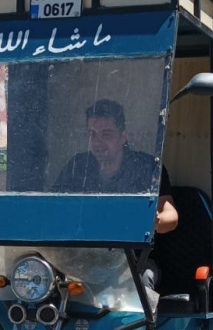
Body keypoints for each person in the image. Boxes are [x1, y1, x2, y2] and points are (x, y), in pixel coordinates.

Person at [53, 99, 178, 287]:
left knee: (142, 282)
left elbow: (172, 216)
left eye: (106, 134)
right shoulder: (77, 166)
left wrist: (154, 220)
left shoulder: (148, 167)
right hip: (83, 258)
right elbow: (54, 207)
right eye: (92, 134)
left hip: (135, 262)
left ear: (123, 136)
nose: (98, 142)